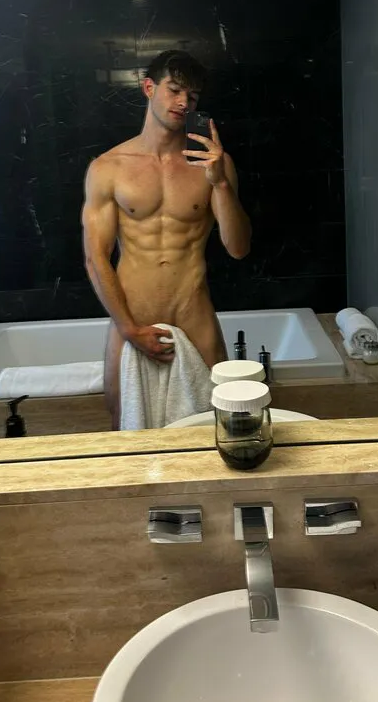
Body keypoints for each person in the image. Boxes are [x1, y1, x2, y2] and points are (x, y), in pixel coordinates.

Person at [81, 50, 252, 428]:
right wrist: (128, 328)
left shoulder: (213, 165)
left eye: (192, 96)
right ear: (148, 88)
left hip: (194, 313)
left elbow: (238, 248)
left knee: (220, 422)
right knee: (123, 425)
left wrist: (220, 183)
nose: (183, 102)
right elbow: (96, 257)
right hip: (133, 318)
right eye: (174, 90)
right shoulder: (108, 167)